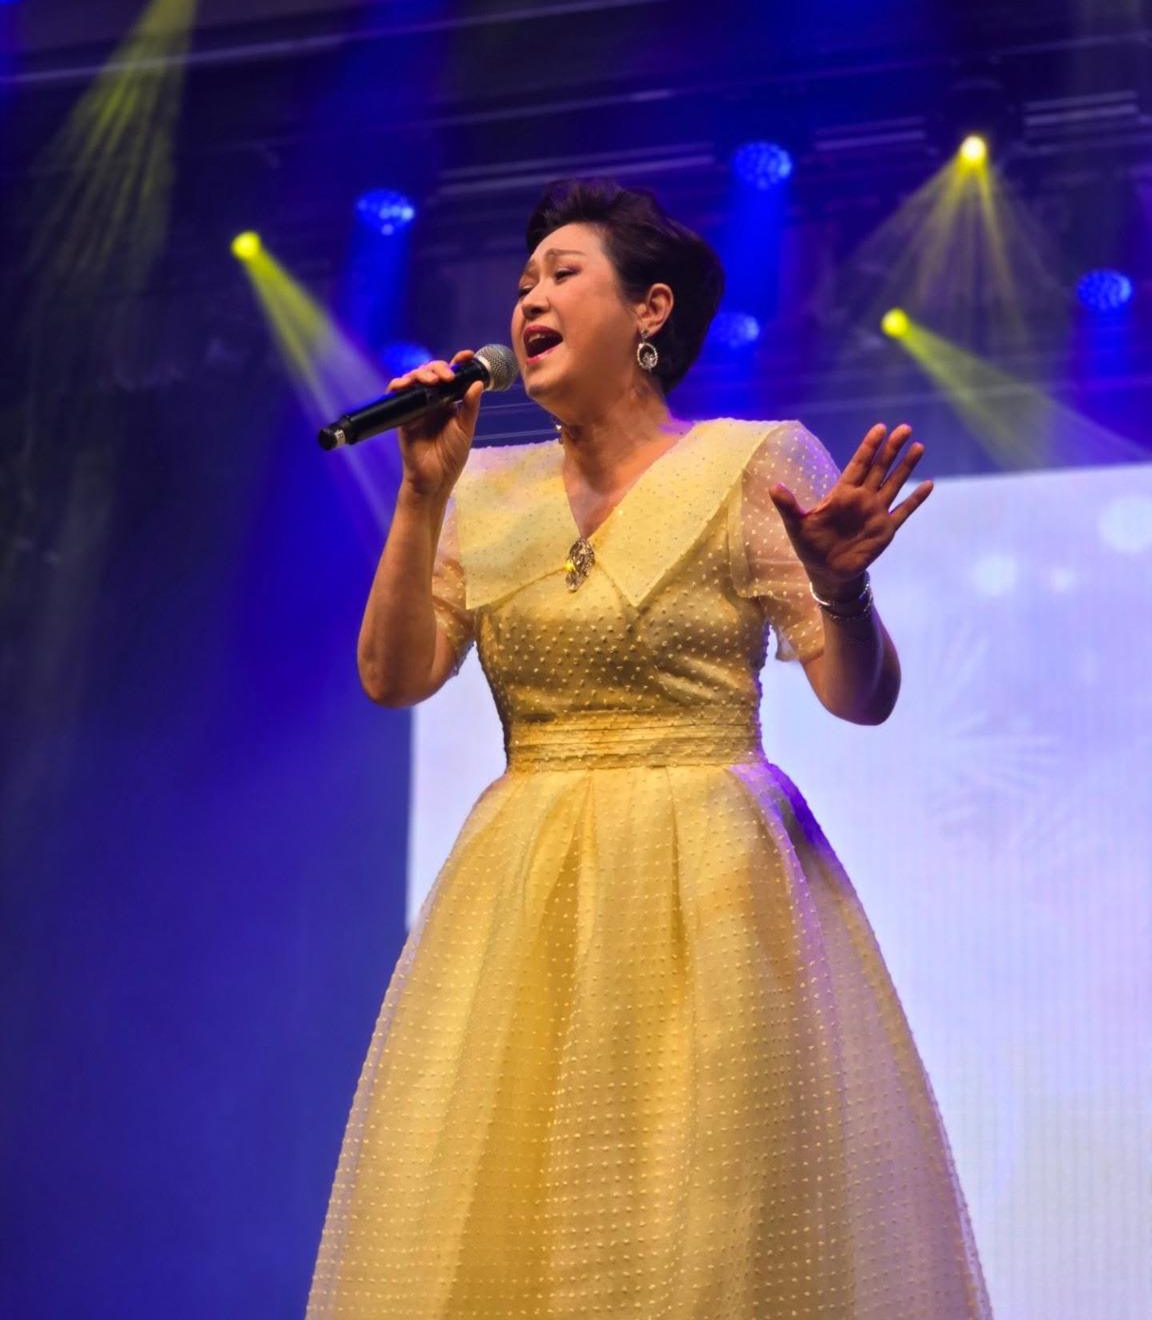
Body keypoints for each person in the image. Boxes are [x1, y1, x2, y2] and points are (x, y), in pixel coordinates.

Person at [305, 179, 992, 1319]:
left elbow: (859, 697)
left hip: (706, 887)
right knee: (513, 1214)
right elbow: (394, 675)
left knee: (699, 1218)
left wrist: (841, 588)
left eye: (562, 274)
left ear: (649, 310)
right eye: (523, 282)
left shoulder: (751, 463)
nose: (530, 298)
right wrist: (421, 493)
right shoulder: (484, 489)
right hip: (526, 889)